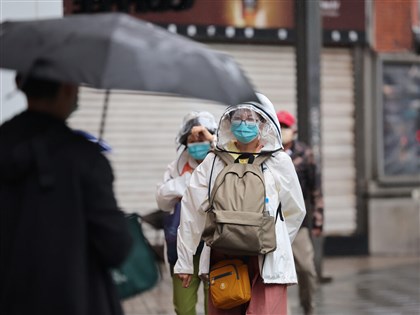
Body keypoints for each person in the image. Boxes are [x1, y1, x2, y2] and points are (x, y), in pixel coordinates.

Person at [0, 75, 133, 315]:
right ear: (68, 88)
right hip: (75, 301)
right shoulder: (84, 158)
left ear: (19, 82)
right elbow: (116, 247)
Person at [174, 94, 306, 315]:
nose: (244, 123)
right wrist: (185, 262)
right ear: (228, 121)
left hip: (267, 260)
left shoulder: (279, 161)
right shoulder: (213, 161)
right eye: (239, 118)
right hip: (224, 257)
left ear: (264, 123)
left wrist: (275, 240)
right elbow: (191, 211)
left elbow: (294, 210)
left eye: (251, 118)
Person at [156, 111, 218, 315]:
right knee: (183, 308)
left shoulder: (221, 163)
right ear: (185, 140)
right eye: (193, 138)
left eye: (203, 137)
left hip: (215, 248)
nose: (198, 142)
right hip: (182, 250)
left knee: (216, 306)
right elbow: (162, 200)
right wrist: (188, 182)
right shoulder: (177, 167)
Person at [276, 110, 324, 315]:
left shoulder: (305, 153)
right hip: (273, 221)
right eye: (279, 126)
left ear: (293, 130)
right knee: (274, 272)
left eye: (285, 126)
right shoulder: (267, 152)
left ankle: (308, 308)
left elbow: (316, 188)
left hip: (298, 221)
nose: (282, 131)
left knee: (306, 268)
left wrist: (318, 219)